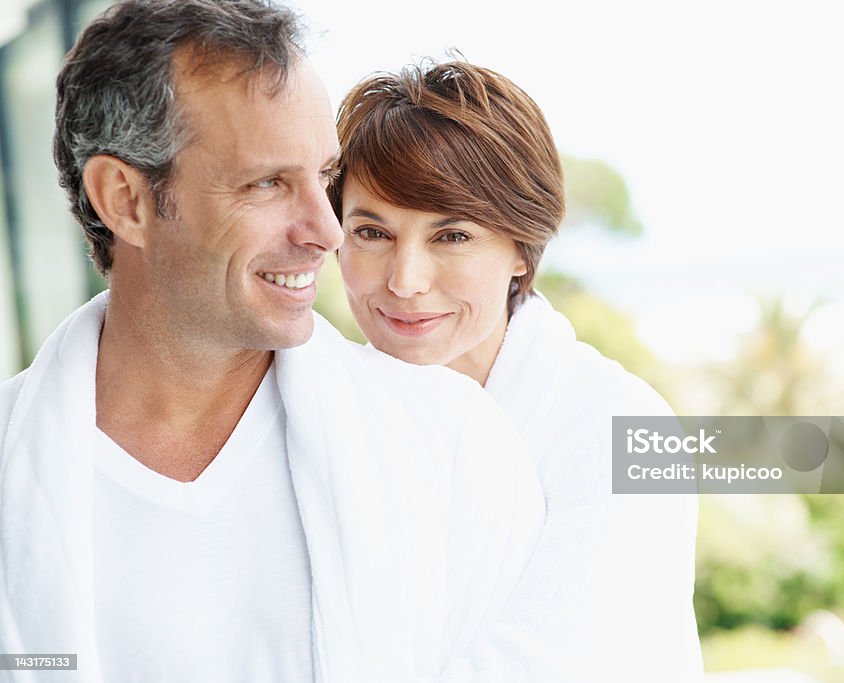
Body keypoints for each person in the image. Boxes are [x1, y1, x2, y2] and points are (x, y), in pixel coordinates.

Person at [0, 3, 543, 681]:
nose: (327, 229)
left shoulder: (452, 447)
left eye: (322, 177)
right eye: (267, 183)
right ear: (125, 199)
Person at [331, 61, 705, 680]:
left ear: (521, 248)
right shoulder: (325, 411)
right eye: (371, 232)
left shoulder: (629, 430)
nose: (405, 280)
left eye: (452, 236)